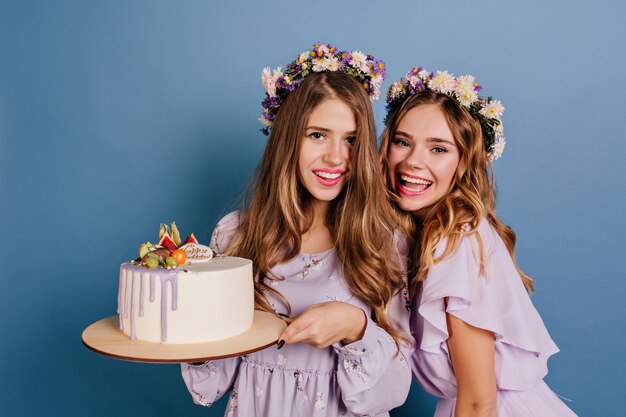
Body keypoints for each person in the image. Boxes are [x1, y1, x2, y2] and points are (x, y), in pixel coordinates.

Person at [181, 44, 413, 417]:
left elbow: (395, 386)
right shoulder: (236, 236)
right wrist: (190, 312)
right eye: (318, 135)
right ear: (290, 139)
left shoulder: (384, 243)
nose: (336, 157)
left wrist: (356, 328)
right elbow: (208, 384)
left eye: (351, 140)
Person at [379, 67, 578, 417]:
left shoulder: (456, 241)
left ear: (464, 164)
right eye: (402, 141)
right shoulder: (422, 236)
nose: (413, 161)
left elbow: (478, 401)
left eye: (438, 148)